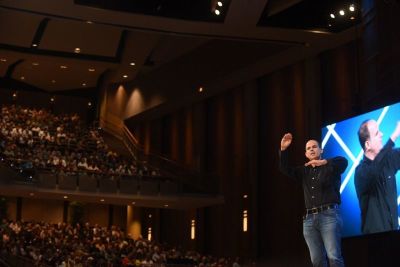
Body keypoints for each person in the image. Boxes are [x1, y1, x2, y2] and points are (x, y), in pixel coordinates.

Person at [279, 133, 348, 267]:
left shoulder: (331, 166)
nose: (311, 149)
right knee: (316, 261)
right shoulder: (304, 171)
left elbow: (344, 161)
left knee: (334, 257)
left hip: (329, 216)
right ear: (306, 154)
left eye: (314, 147)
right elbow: (285, 169)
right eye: (308, 148)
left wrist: (324, 162)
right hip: (309, 220)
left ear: (321, 150)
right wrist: (283, 150)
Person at [354, 120, 400, 234]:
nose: (382, 134)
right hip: (375, 240)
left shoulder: (389, 159)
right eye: (377, 133)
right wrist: (394, 136)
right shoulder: (361, 172)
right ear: (367, 144)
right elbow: (374, 170)